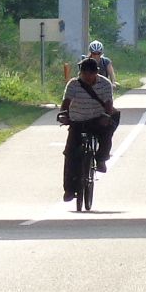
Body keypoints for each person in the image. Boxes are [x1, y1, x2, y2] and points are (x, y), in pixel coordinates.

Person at [58, 57, 120, 200]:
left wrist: (105, 116)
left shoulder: (105, 84)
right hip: (78, 120)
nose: (87, 76)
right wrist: (63, 115)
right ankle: (69, 190)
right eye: (84, 73)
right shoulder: (73, 84)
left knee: (107, 131)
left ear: (96, 72)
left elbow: (109, 103)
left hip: (97, 119)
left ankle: (101, 159)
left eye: (90, 73)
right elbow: (66, 102)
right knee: (70, 154)